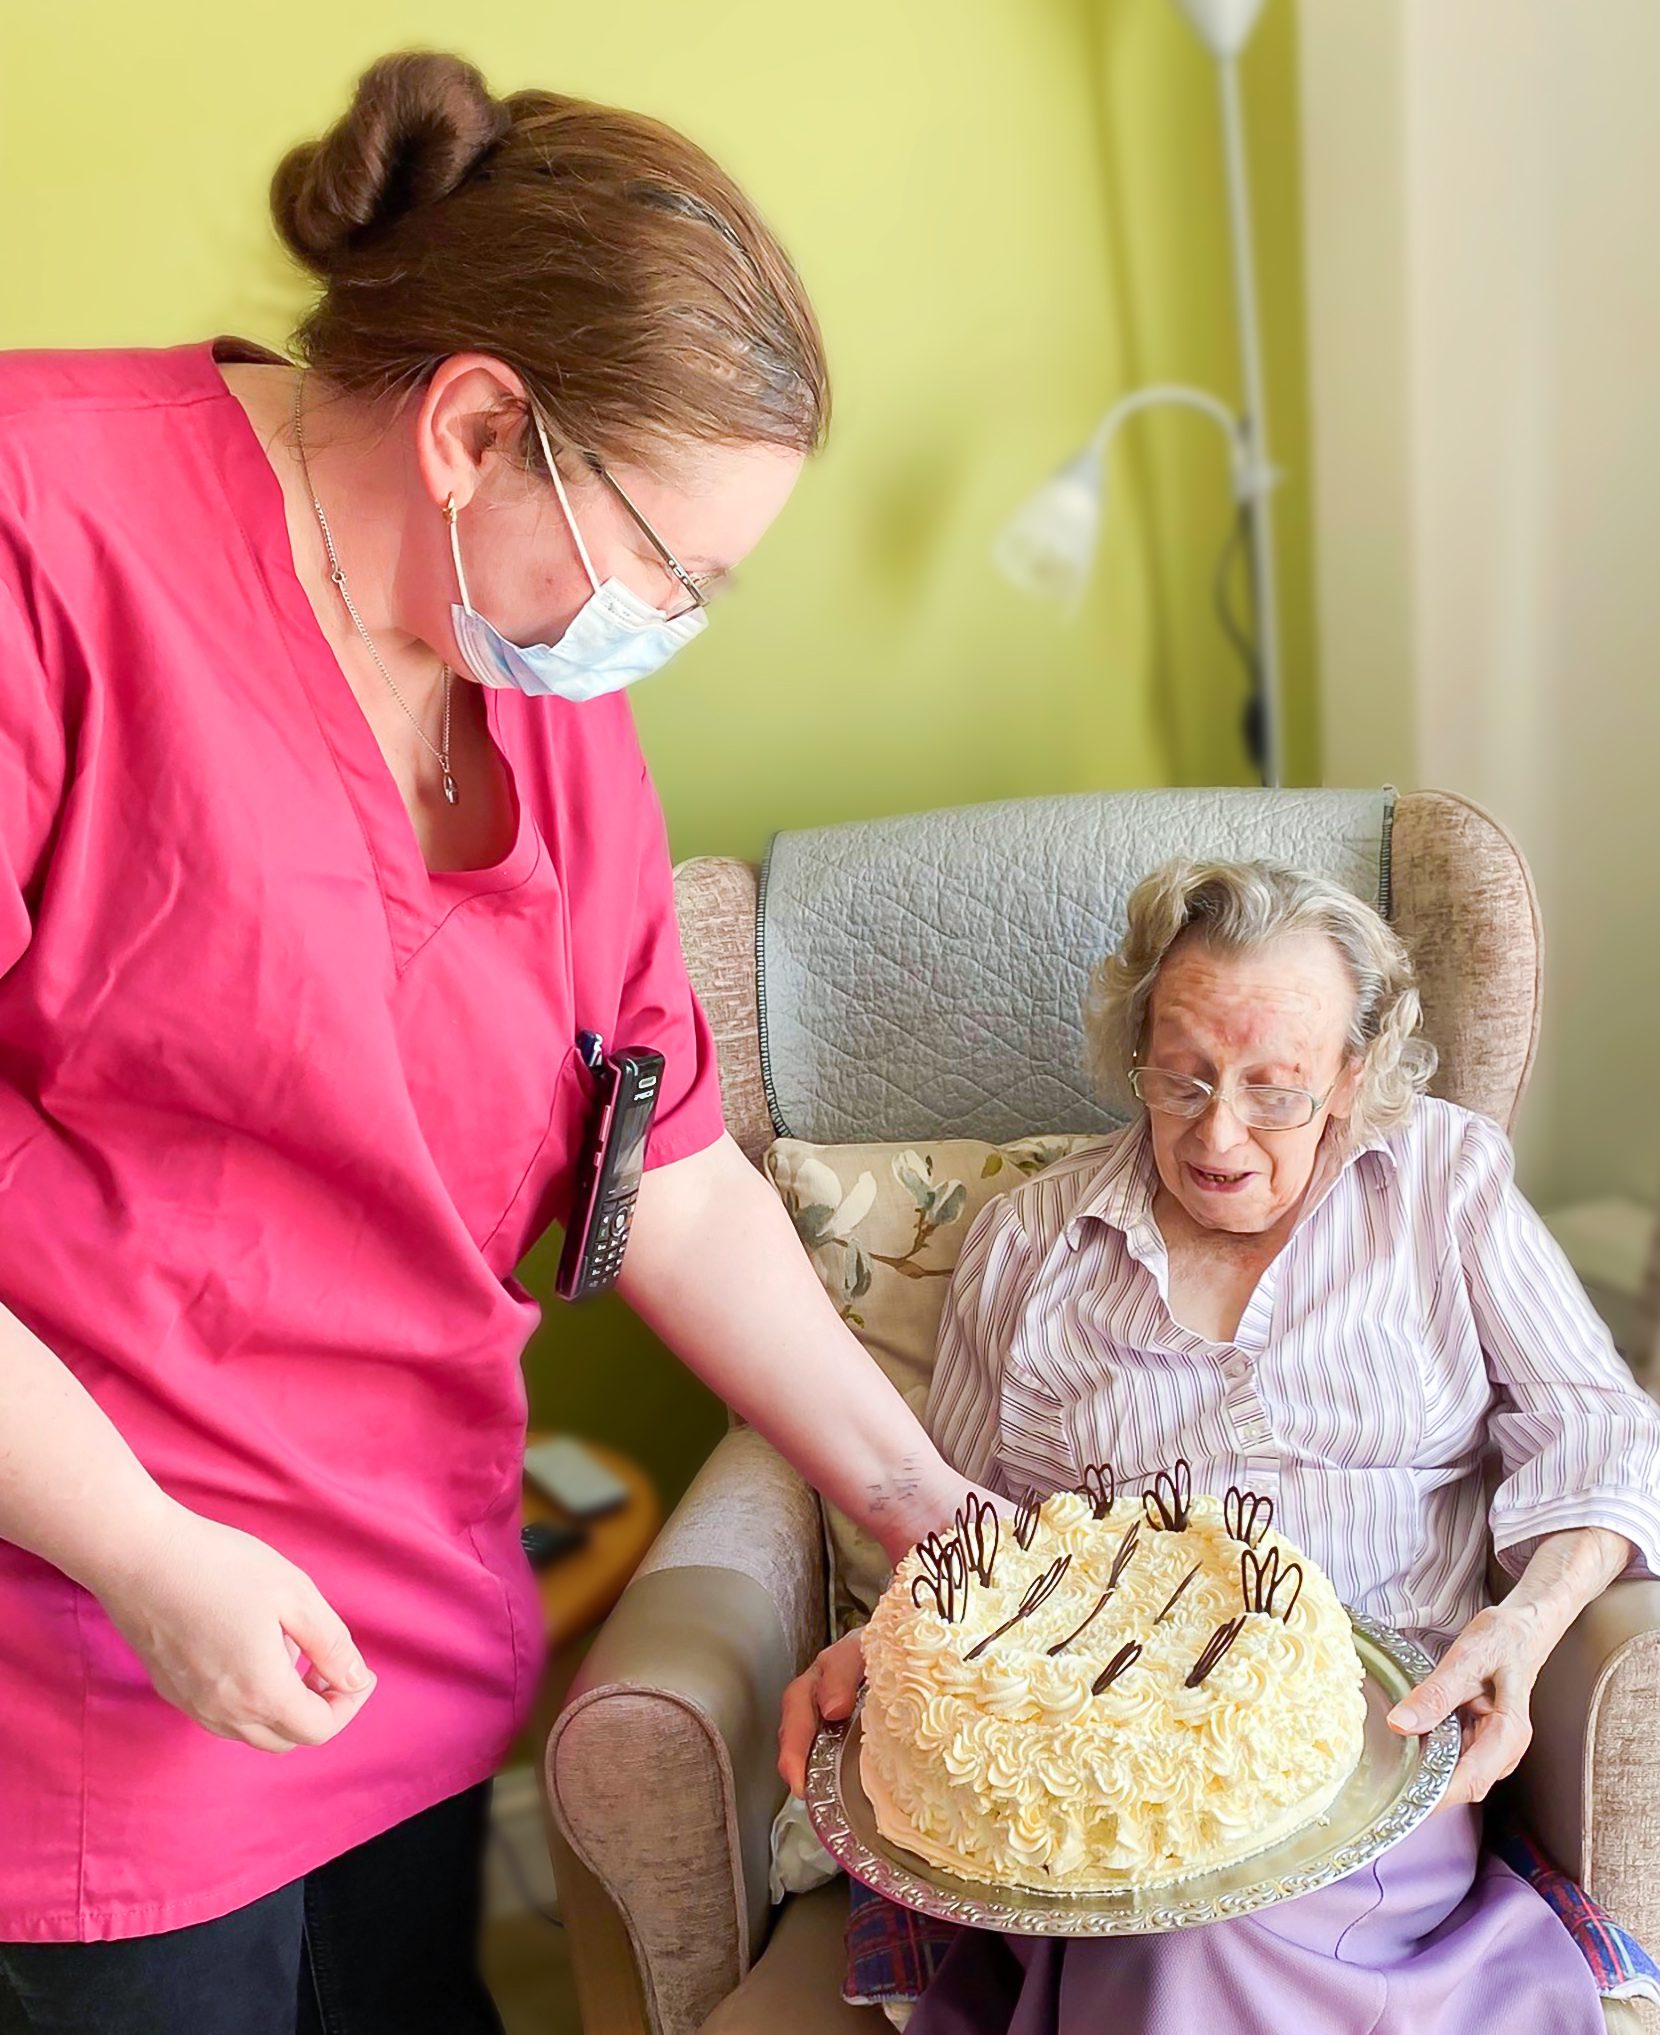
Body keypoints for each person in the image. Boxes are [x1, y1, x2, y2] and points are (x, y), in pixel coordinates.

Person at [0, 52, 972, 2035]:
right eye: (669, 567)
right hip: (91, 1641)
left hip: (409, 1610)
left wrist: (915, 1498)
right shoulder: (45, 532)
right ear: (471, 425)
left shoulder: (520, 666)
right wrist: (145, 1550)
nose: (668, 625)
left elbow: (669, 1169)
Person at [779, 858, 1660, 2035]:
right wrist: (894, 1641)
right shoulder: (1029, 1243)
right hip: (1095, 1785)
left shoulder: (1442, 1184)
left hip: (1375, 1763)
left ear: (1351, 1077)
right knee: (1162, 1910)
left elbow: (1607, 1437)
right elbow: (966, 1545)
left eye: (1274, 1092)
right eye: (1181, 1080)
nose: (1217, 1134)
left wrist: (1522, 1625)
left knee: (1198, 1928)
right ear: (1135, 1056)